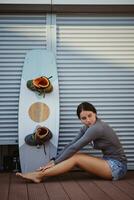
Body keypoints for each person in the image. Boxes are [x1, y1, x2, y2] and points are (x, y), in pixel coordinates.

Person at [16, 102, 127, 183]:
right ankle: (40, 175)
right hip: (108, 162)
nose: (88, 120)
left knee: (76, 157)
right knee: (75, 155)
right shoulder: (86, 128)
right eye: (83, 118)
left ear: (95, 114)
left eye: (90, 116)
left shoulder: (97, 128)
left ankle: (39, 175)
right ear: (80, 119)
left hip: (117, 167)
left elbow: (75, 148)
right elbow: (71, 144)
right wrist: (54, 159)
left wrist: (55, 163)